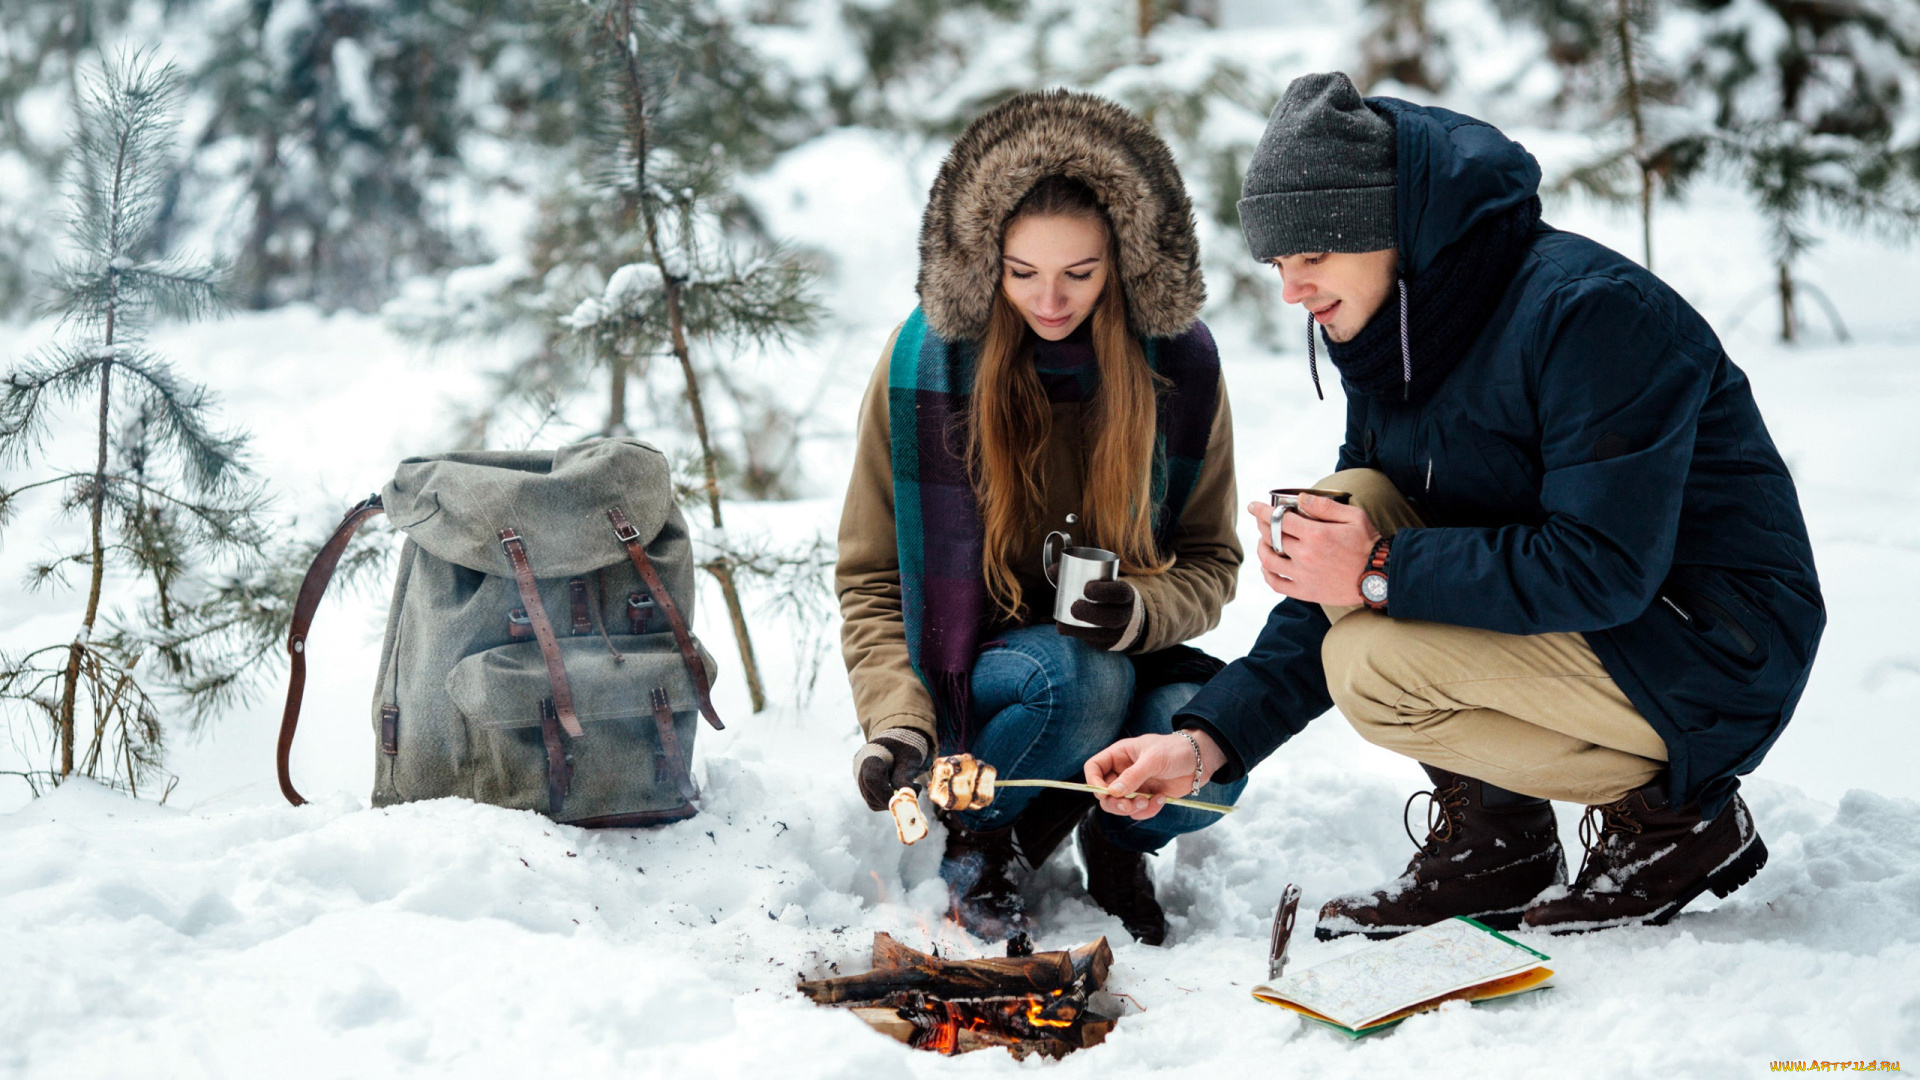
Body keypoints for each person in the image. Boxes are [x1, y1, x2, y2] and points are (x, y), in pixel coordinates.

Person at [1081, 72, 1823, 938]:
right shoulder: (1397, 331)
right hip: (1614, 635)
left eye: (1312, 255)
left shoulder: (1589, 315)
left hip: (1712, 646)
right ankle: (1497, 840)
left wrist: (1380, 568)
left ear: (1383, 228)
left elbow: (1606, 564)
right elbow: (1343, 577)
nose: (1292, 290)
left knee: (1372, 662)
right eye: (1279, 263)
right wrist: (1205, 744)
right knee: (1349, 504)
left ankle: (1675, 824)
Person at [836, 90, 1244, 945]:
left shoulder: (1182, 369)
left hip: (1128, 657)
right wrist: (897, 721)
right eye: (1022, 273)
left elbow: (1210, 561)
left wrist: (1140, 612)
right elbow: (872, 574)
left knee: (1214, 753)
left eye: (1079, 274)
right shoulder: (927, 363)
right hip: (982, 684)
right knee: (1075, 675)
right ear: (988, 260)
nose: (1049, 301)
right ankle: (984, 839)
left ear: (1124, 263)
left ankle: (1115, 838)